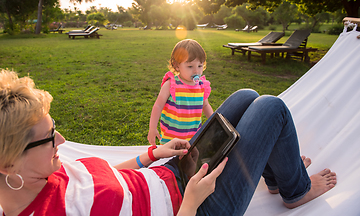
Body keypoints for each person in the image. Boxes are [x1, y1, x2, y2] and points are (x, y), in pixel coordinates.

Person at [0, 69, 337, 216]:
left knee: (245, 97)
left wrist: (152, 155)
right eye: (48, 138)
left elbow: (101, 177)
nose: (61, 139)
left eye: (54, 127)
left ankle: (278, 176)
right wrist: (190, 203)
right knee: (270, 108)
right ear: (8, 163)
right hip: (199, 207)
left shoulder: (44, 172)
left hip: (172, 171)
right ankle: (294, 190)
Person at [147, 39, 214, 145]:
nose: (196, 71)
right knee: (170, 160)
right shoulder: (171, 84)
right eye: (190, 66)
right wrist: (152, 128)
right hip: (170, 140)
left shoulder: (201, 85)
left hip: (192, 139)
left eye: (200, 66)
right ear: (177, 65)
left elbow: (205, 105)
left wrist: (214, 122)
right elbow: (158, 106)